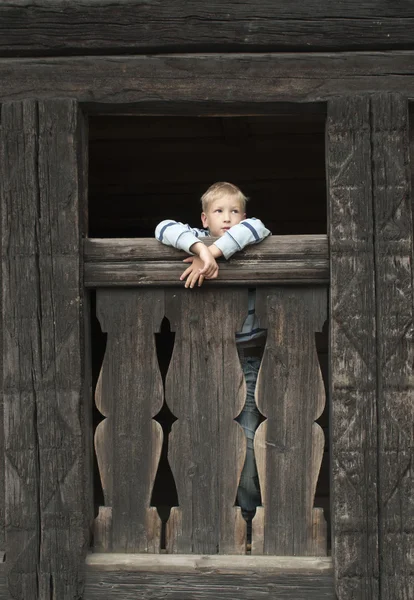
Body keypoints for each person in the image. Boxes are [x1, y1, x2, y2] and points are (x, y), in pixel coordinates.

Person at [155, 181, 271, 532]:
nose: (228, 218)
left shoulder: (249, 232)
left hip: (249, 364)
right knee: (203, 442)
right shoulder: (193, 235)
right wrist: (198, 249)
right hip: (204, 363)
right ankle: (210, 523)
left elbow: (259, 227)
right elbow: (162, 228)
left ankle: (247, 520)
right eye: (219, 212)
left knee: (250, 443)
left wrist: (213, 255)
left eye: (234, 211)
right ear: (204, 219)